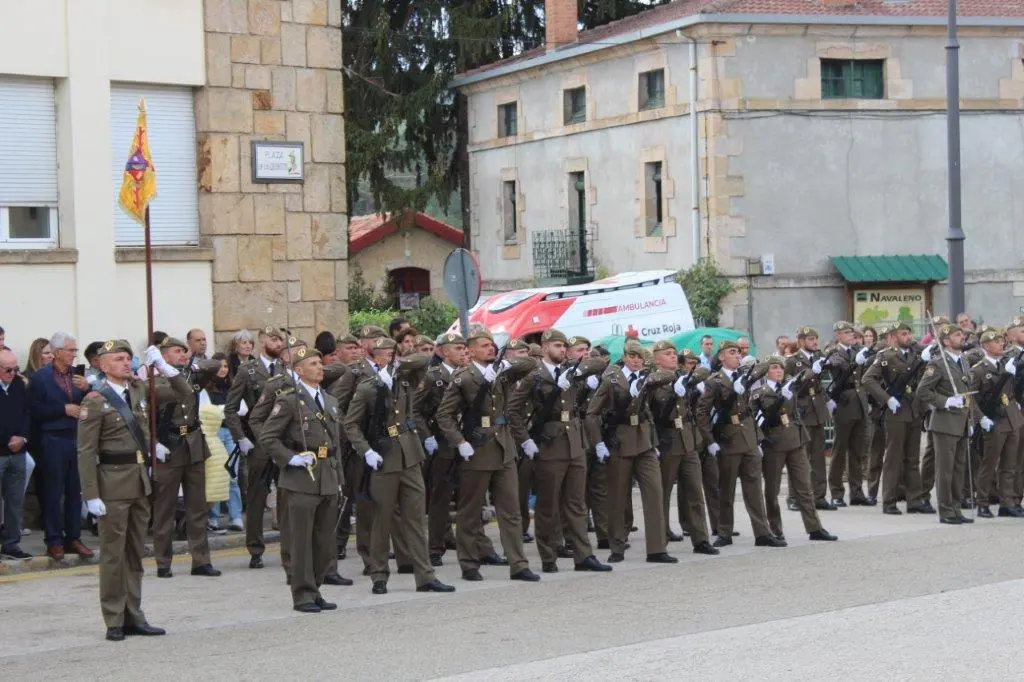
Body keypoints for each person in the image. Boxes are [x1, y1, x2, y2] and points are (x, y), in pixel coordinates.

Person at [78, 340, 185, 641]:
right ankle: (114, 618)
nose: (127, 363)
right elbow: (85, 452)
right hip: (111, 485)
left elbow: (183, 392)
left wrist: (163, 367)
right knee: (113, 555)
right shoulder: (95, 401)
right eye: (118, 359)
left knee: (135, 554)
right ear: (102, 364)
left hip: (140, 481)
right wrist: (91, 495)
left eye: (128, 358)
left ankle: (134, 614)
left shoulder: (139, 390)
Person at [343, 338, 456, 595]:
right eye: (385, 355)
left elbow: (426, 360)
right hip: (384, 459)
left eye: (393, 354)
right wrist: (366, 451)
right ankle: (379, 575)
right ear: (376, 358)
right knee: (381, 520)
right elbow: (350, 424)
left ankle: (425, 576)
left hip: (410, 456)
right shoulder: (368, 388)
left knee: (416, 519)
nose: (391, 358)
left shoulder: (406, 380)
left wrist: (399, 361)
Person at [435, 328, 541, 583]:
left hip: (504, 448)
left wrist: (504, 363)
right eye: (484, 346)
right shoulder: (463, 377)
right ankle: (469, 563)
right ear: (470, 351)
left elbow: (530, 363)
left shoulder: (501, 371)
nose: (490, 349)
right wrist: (459, 442)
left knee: (511, 510)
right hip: (478, 449)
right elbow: (444, 415)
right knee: (470, 512)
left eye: (492, 345)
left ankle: (518, 564)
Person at [508, 329, 613, 574]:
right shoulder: (534, 375)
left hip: (574, 441)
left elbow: (599, 362)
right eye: (557, 346)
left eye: (564, 346)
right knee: (548, 504)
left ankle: (583, 555)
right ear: (544, 347)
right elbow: (513, 410)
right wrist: (525, 441)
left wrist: (577, 369)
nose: (562, 350)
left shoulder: (571, 371)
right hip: (549, 443)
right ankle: (548, 556)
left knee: (576, 504)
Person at [259, 347, 345, 613]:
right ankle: (302, 594)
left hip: (327, 477)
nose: (320, 367)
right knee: (301, 541)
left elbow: (336, 444)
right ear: (299, 370)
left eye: (320, 363)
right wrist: (291, 458)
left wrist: (339, 478)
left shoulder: (330, 401)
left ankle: (316, 587)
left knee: (323, 542)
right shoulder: (289, 400)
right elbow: (267, 437)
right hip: (301, 480)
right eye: (313, 364)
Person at [584, 341, 678, 564]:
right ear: (624, 357)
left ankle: (657, 549)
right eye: (632, 356)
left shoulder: (648, 377)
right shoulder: (612, 380)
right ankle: (616, 546)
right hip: (620, 441)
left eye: (639, 357)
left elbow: (668, 378)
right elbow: (591, 414)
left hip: (644, 441)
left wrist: (645, 382)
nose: (636, 360)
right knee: (618, 497)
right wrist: (598, 443)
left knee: (655, 493)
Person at [696, 341, 783, 548]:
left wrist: (757, 437)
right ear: (722, 357)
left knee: (754, 488)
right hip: (728, 438)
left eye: (738, 352)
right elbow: (702, 413)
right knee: (726, 488)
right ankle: (724, 532)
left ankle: (762, 533)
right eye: (732, 353)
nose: (737, 356)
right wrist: (709, 441)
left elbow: (763, 368)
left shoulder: (744, 375)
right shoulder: (714, 381)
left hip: (749, 438)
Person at [149, 337, 221, 579]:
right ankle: (163, 561)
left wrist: (194, 365)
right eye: (177, 351)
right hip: (169, 446)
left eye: (184, 351)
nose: (183, 355)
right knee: (164, 509)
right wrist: (160, 366)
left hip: (193, 445)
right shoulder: (153, 380)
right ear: (164, 354)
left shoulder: (191, 373)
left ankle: (201, 560)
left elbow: (216, 365)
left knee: (197, 507)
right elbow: (166, 397)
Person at [750, 356, 837, 543]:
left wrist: (813, 369)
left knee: (804, 487)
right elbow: (757, 420)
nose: (779, 370)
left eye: (781, 367)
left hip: (796, 440)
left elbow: (803, 379)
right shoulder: (758, 393)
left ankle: (814, 527)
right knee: (772, 491)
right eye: (774, 367)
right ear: (766, 372)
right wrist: (758, 441)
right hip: (774, 444)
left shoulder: (790, 387)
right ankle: (775, 529)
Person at [646, 341, 718, 555]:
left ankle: (701, 539)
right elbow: (649, 415)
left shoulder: (681, 378)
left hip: (688, 440)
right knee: (663, 495)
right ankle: (661, 541)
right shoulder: (651, 381)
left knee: (695, 492)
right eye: (667, 354)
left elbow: (704, 370)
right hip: (667, 441)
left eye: (674, 354)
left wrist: (690, 383)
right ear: (657, 359)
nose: (672, 357)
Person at [27, 332, 94, 561]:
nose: (74, 354)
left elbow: (86, 401)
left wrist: (86, 389)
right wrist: (62, 410)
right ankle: (54, 539)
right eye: (70, 350)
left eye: (75, 350)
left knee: (75, 490)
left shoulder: (76, 376)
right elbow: (33, 412)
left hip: (75, 438)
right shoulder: (40, 378)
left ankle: (73, 537)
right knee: (53, 491)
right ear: (57, 353)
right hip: (52, 439)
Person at [224, 327, 285, 569]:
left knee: (288, 494)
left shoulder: (286, 370)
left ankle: (290, 545)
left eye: (280, 339)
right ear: (262, 342)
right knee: (257, 498)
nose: (278, 343)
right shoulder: (248, 370)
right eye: (273, 339)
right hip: (258, 443)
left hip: (283, 442)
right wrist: (240, 437)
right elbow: (230, 408)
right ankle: (256, 549)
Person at [862, 322, 932, 515]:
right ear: (893, 337)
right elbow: (867, 379)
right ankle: (889, 501)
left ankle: (914, 500)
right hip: (896, 412)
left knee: (912, 458)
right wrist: (887, 399)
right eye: (903, 334)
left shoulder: (916, 355)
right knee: (893, 458)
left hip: (914, 410)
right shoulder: (885, 357)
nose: (908, 337)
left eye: (909, 333)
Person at [416, 332, 469, 565]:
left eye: (464, 348)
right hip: (441, 444)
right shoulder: (432, 377)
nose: (463, 352)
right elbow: (415, 410)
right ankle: (435, 547)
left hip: (468, 442)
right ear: (445, 352)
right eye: (458, 348)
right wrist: (427, 437)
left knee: (470, 497)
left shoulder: (471, 375)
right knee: (440, 498)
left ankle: (475, 545)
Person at [917, 324, 975, 525]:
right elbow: (923, 391)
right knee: (945, 469)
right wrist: (945, 401)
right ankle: (945, 510)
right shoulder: (938, 364)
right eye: (957, 335)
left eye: (962, 334)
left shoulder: (964, 362)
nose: (962, 337)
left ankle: (956, 508)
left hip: (961, 421)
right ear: (946, 341)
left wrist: (972, 419)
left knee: (959, 469)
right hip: (944, 422)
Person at [969, 329, 1023, 518]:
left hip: (1011, 419)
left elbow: (1010, 393)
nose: (1001, 345)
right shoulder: (978, 370)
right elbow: (971, 399)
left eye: (1002, 341)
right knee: (989, 464)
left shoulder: (1004, 366)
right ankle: (982, 502)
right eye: (996, 342)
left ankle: (1007, 503)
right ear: (986, 346)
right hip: (994, 421)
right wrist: (980, 418)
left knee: (1010, 465)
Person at [825, 321, 872, 507]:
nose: (851, 335)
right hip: (844, 403)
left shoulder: (857, 350)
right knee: (840, 449)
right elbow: (840, 368)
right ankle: (836, 492)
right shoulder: (834, 351)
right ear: (838, 335)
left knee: (857, 450)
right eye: (846, 332)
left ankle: (857, 492)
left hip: (859, 401)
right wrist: (855, 361)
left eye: (852, 332)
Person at [202, 354, 244, 532]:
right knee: (214, 477)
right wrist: (227, 410)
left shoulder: (233, 387)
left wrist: (220, 410)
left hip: (231, 434)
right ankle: (213, 519)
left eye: (226, 366)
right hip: (214, 434)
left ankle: (236, 517)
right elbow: (204, 411)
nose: (223, 369)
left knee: (232, 477)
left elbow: (242, 409)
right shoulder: (205, 389)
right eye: (219, 366)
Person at [1, 348, 32, 559]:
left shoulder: (19, 385)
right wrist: (7, 440)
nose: (12, 373)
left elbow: (28, 413)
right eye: (8, 370)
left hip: (18, 452)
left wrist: (22, 437)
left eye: (15, 369)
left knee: (14, 501)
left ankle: (12, 544)